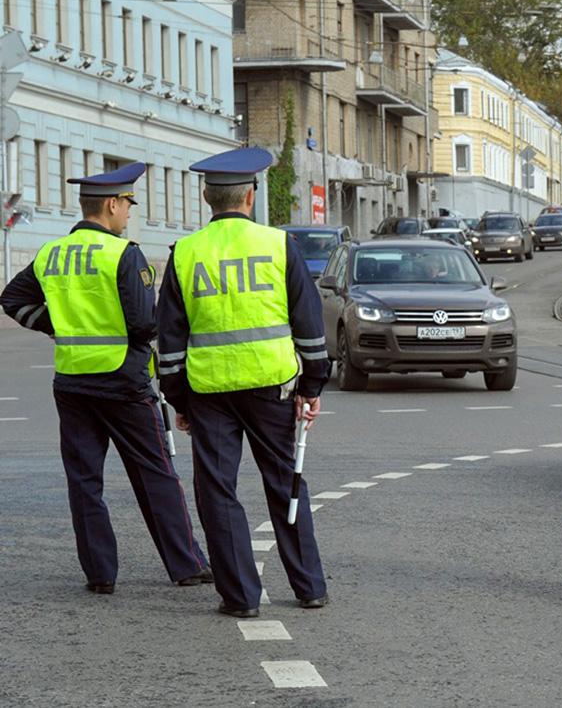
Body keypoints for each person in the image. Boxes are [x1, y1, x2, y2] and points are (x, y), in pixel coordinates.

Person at [0, 163, 211, 594]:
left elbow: (12, 299)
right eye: (128, 205)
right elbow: (143, 323)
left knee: (84, 480)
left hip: (73, 380)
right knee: (155, 473)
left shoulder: (51, 253)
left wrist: (55, 327)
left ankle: (100, 574)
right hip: (124, 381)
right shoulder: (123, 253)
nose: (129, 214)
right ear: (113, 204)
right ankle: (186, 564)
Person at [155, 147, 330, 618]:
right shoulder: (279, 246)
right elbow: (310, 327)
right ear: (251, 196)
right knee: (285, 482)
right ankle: (310, 586)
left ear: (206, 196)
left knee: (218, 492)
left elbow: (170, 340)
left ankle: (240, 598)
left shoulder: (185, 253)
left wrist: (178, 400)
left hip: (209, 393)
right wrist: (311, 387)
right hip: (272, 387)